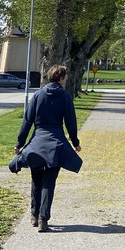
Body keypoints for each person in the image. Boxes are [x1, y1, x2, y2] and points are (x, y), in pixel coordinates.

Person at [13, 64, 83, 232]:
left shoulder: (37, 95)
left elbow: (27, 121)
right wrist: (75, 142)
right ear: (60, 78)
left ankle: (34, 215)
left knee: (36, 179)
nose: (66, 81)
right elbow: (70, 123)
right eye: (65, 78)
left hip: (37, 143)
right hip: (55, 145)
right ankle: (44, 219)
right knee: (49, 182)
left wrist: (20, 143)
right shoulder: (65, 97)